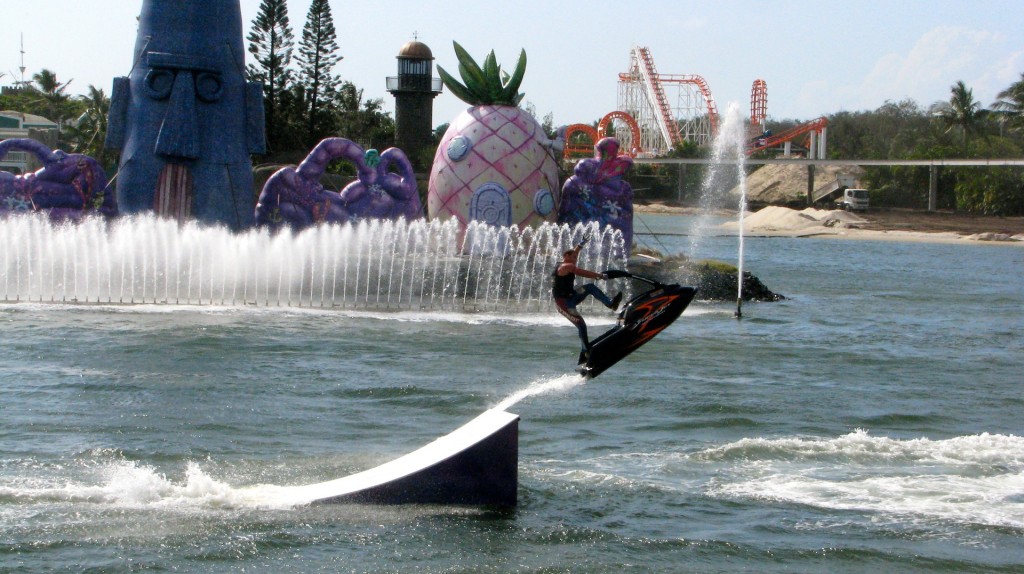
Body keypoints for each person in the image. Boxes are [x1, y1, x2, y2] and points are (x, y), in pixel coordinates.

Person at [552, 241, 622, 363]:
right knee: (582, 326)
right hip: (564, 305)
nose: (575, 260)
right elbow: (583, 273)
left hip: (572, 297)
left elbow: (574, 253)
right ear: (566, 257)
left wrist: (580, 245)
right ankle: (586, 352)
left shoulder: (569, 261)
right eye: (573, 257)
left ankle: (610, 304)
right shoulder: (565, 266)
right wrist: (599, 275)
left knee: (589, 287)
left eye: (576, 257)